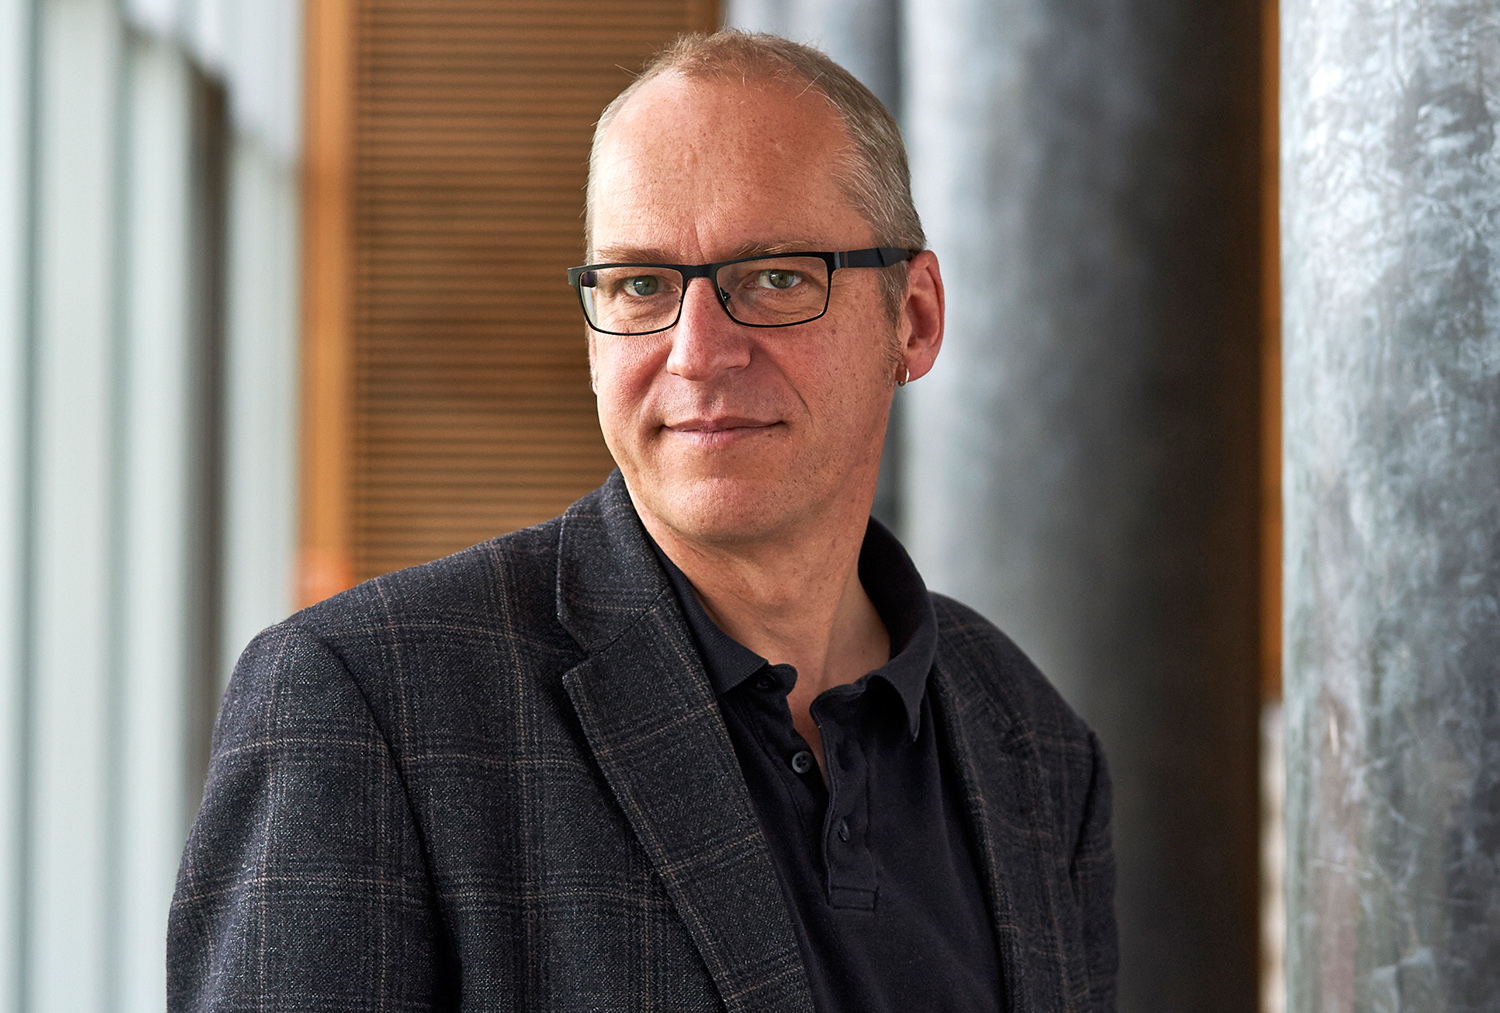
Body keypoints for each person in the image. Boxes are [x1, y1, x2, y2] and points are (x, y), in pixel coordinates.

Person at [168, 31, 1116, 1013]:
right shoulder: (369, 704)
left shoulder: (1034, 744)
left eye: (777, 277)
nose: (697, 352)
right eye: (641, 286)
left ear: (912, 318)